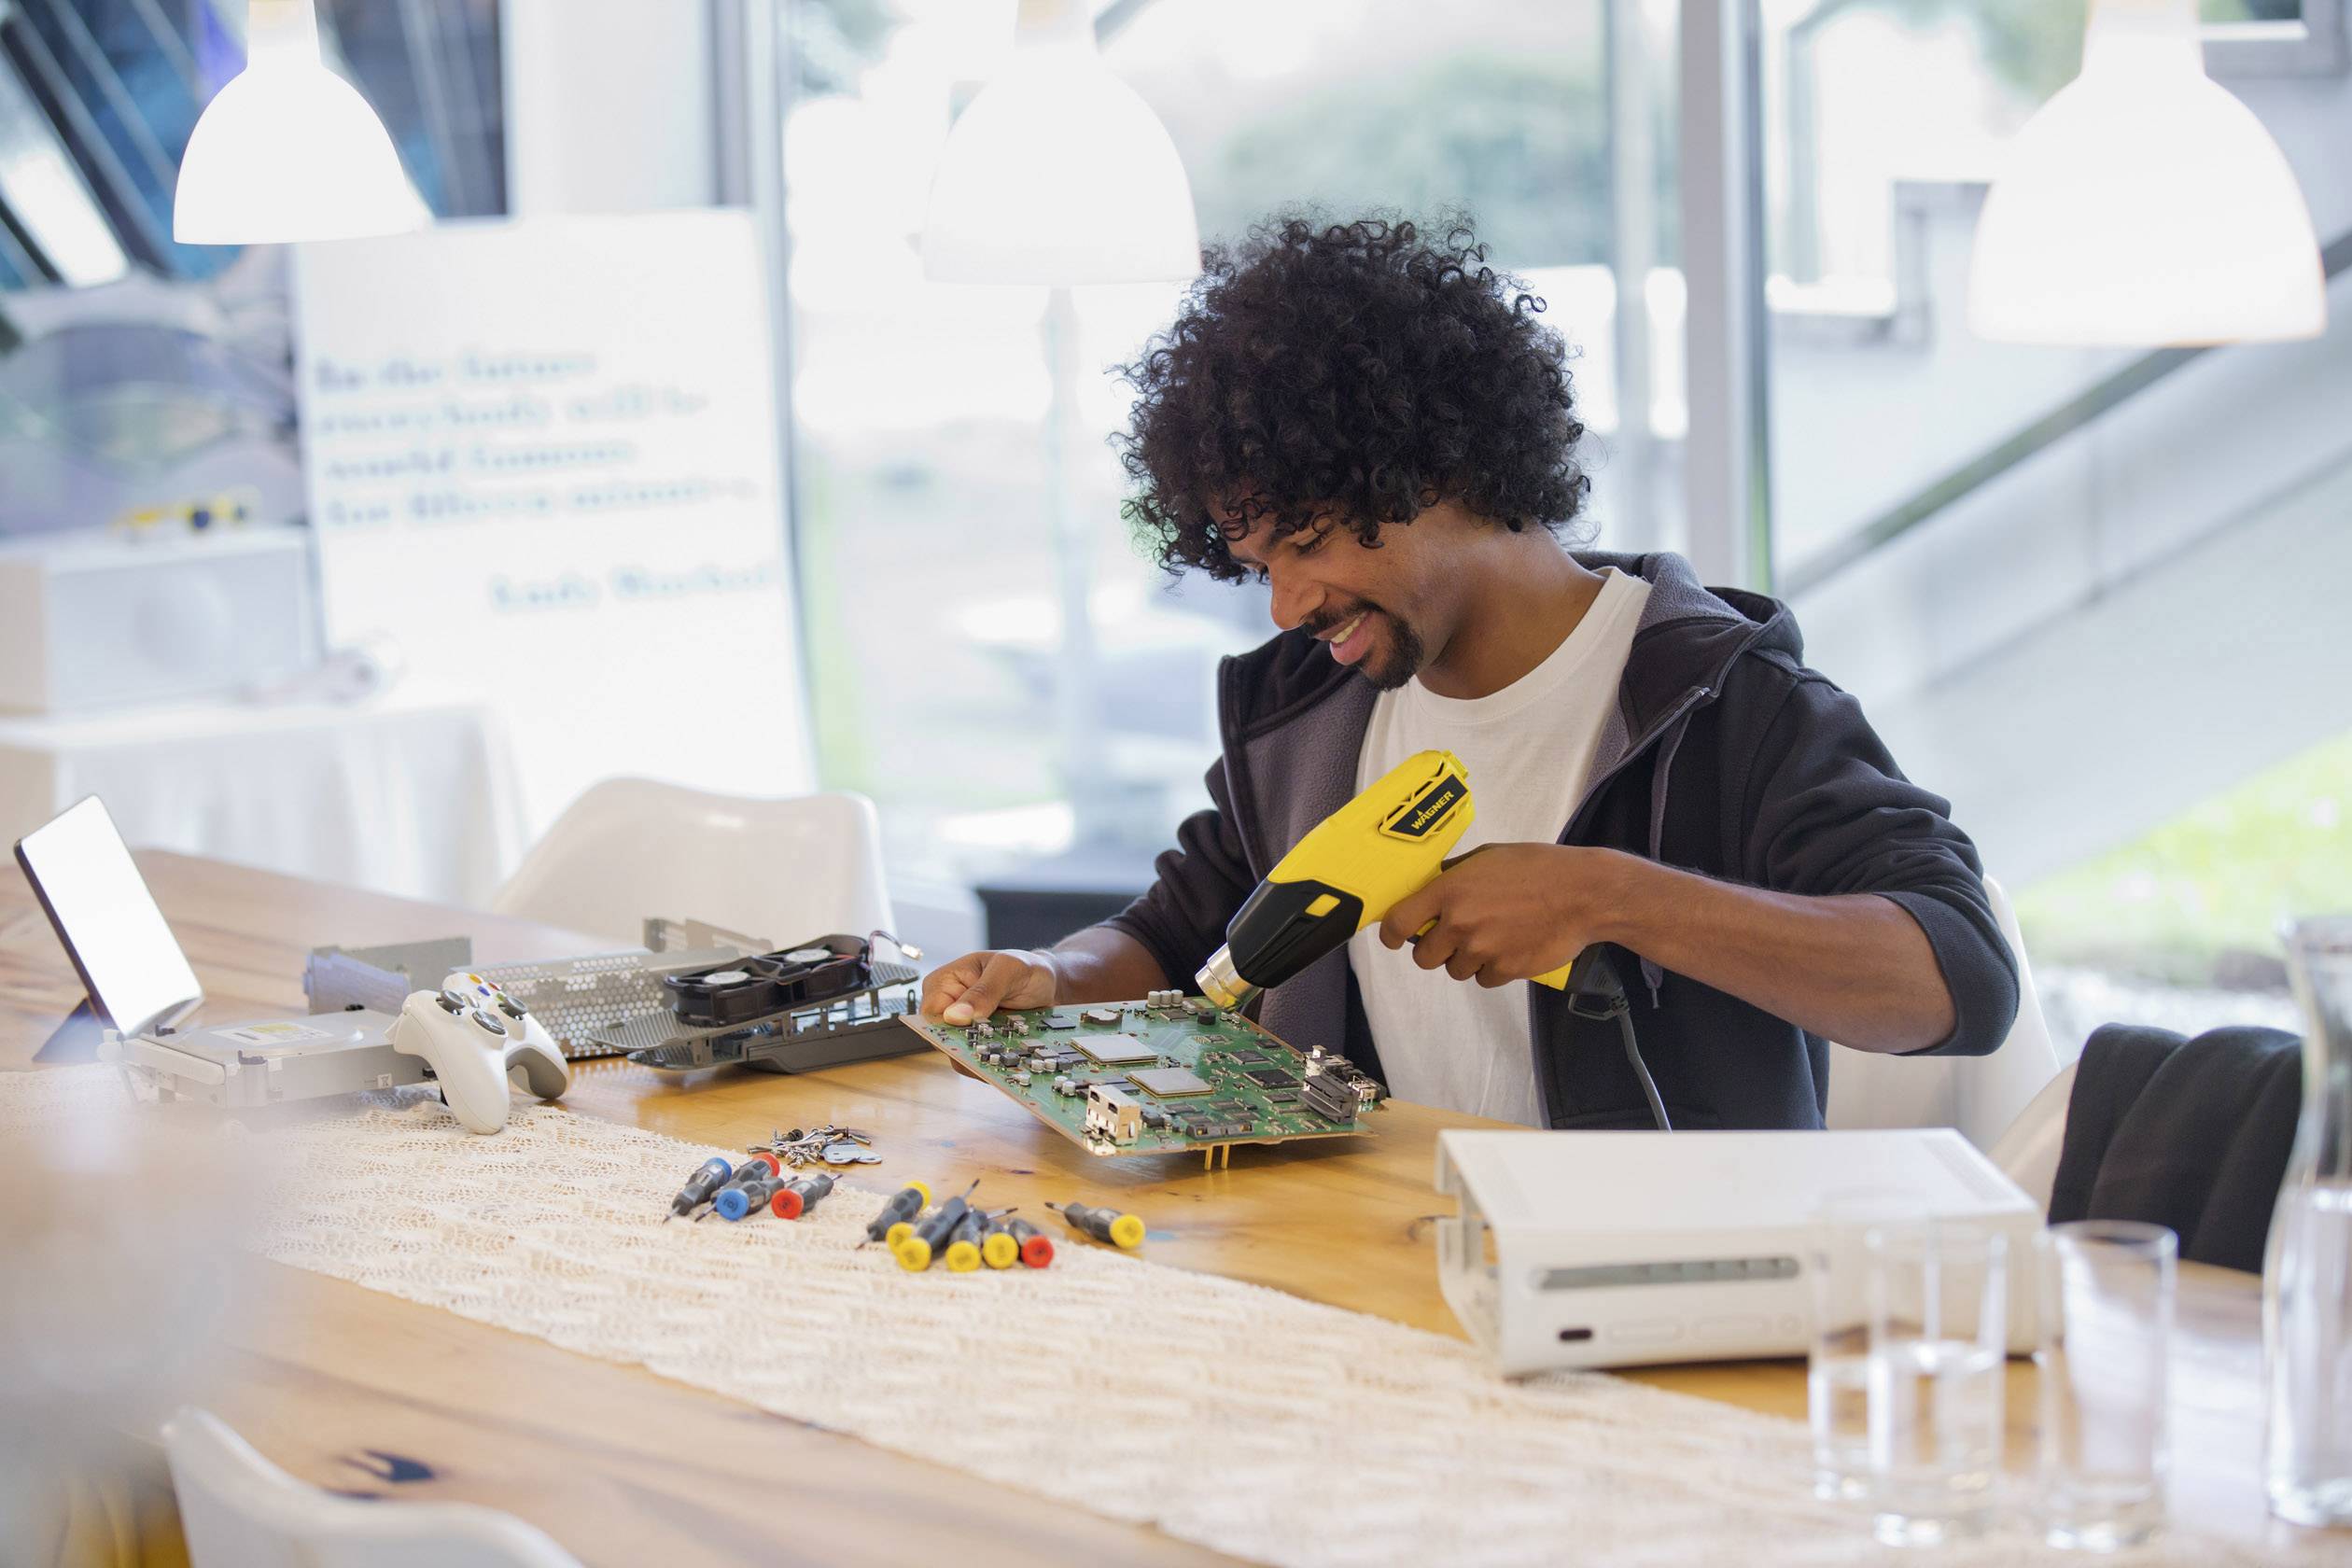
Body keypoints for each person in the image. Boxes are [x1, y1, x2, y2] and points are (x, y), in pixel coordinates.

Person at [920, 216, 2016, 1130]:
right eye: (1258, 567)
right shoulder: (1303, 714)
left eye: (1306, 545)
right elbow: (1171, 937)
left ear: (1438, 465)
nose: (1287, 606)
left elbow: (1959, 978)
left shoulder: (1726, 705)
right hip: (1383, 1266)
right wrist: (1052, 977)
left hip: (1654, 1304)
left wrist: (1608, 898)